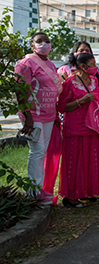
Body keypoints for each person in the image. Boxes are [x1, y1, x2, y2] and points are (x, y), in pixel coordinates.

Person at [15, 32, 62, 204]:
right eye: (39, 41)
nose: (44, 44)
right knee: (37, 151)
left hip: (49, 114)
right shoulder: (25, 64)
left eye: (47, 41)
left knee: (43, 152)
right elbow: (20, 91)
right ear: (32, 45)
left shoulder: (50, 64)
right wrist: (27, 116)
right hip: (32, 114)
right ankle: (32, 192)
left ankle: (40, 190)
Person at [56, 52, 99, 207]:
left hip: (92, 126)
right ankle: (70, 197)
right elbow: (62, 107)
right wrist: (80, 101)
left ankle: (88, 192)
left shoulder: (94, 81)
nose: (95, 67)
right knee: (74, 161)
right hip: (74, 127)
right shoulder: (69, 83)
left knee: (91, 159)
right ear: (83, 66)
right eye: (92, 64)